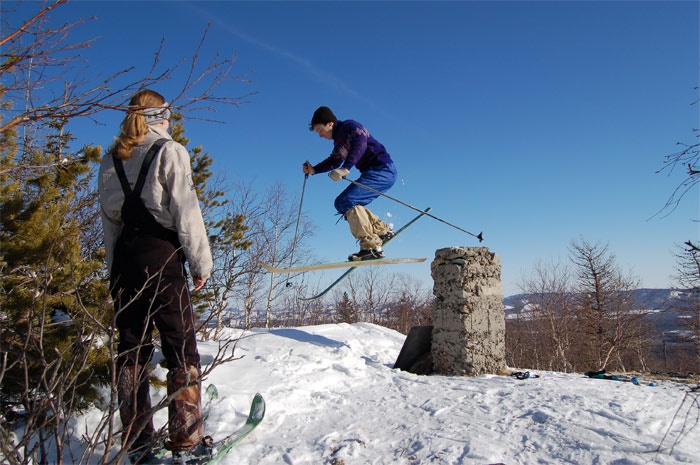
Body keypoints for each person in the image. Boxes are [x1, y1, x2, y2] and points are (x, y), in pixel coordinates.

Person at [98, 89, 213, 465]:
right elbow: (186, 212)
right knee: (181, 347)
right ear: (161, 116)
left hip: (125, 263)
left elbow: (109, 225)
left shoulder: (111, 158)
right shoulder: (170, 151)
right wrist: (200, 263)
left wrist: (112, 271)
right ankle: (186, 440)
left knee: (131, 351)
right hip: (161, 260)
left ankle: (138, 445)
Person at [303, 106, 397, 261]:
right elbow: (334, 160)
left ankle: (371, 247)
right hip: (375, 172)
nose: (320, 135)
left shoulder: (350, 127)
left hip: (383, 169)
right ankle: (381, 231)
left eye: (320, 130)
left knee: (347, 200)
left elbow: (361, 143)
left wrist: (346, 168)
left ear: (330, 124)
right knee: (342, 203)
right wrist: (314, 170)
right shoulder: (339, 143)